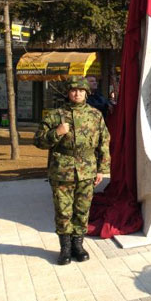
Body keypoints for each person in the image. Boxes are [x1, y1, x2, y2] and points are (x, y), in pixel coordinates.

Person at [34, 76, 110, 265]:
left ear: (87, 93)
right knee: (63, 211)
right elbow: (38, 141)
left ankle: (78, 246)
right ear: (68, 92)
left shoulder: (95, 115)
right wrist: (57, 133)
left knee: (82, 209)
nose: (77, 94)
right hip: (62, 170)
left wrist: (102, 169)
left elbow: (104, 142)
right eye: (74, 90)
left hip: (87, 170)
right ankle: (65, 249)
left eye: (81, 90)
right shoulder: (55, 115)